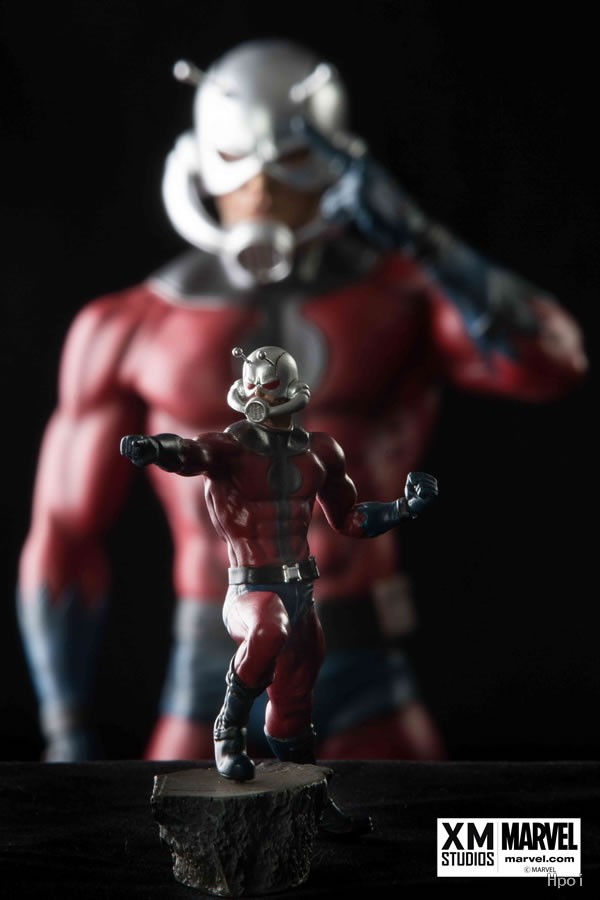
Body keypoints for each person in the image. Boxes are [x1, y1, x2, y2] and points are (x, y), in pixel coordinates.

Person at [17, 39, 587, 763]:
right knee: (178, 834)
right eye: (237, 159)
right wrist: (65, 731)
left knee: (419, 834)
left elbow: (552, 365)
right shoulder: (130, 327)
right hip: (214, 654)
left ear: (336, 163)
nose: (260, 190)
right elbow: (63, 533)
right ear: (198, 160)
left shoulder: (405, 301)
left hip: (359, 654)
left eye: (289, 161)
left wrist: (422, 240)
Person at [120, 345, 438, 833]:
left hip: (302, 594)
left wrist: (403, 508)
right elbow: (188, 452)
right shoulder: (227, 449)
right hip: (249, 594)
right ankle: (229, 728)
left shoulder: (321, 451)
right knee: (270, 626)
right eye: (251, 384)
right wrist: (155, 449)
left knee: (292, 711)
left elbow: (350, 519)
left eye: (266, 387)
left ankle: (312, 806)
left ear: (289, 391)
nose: (256, 395)